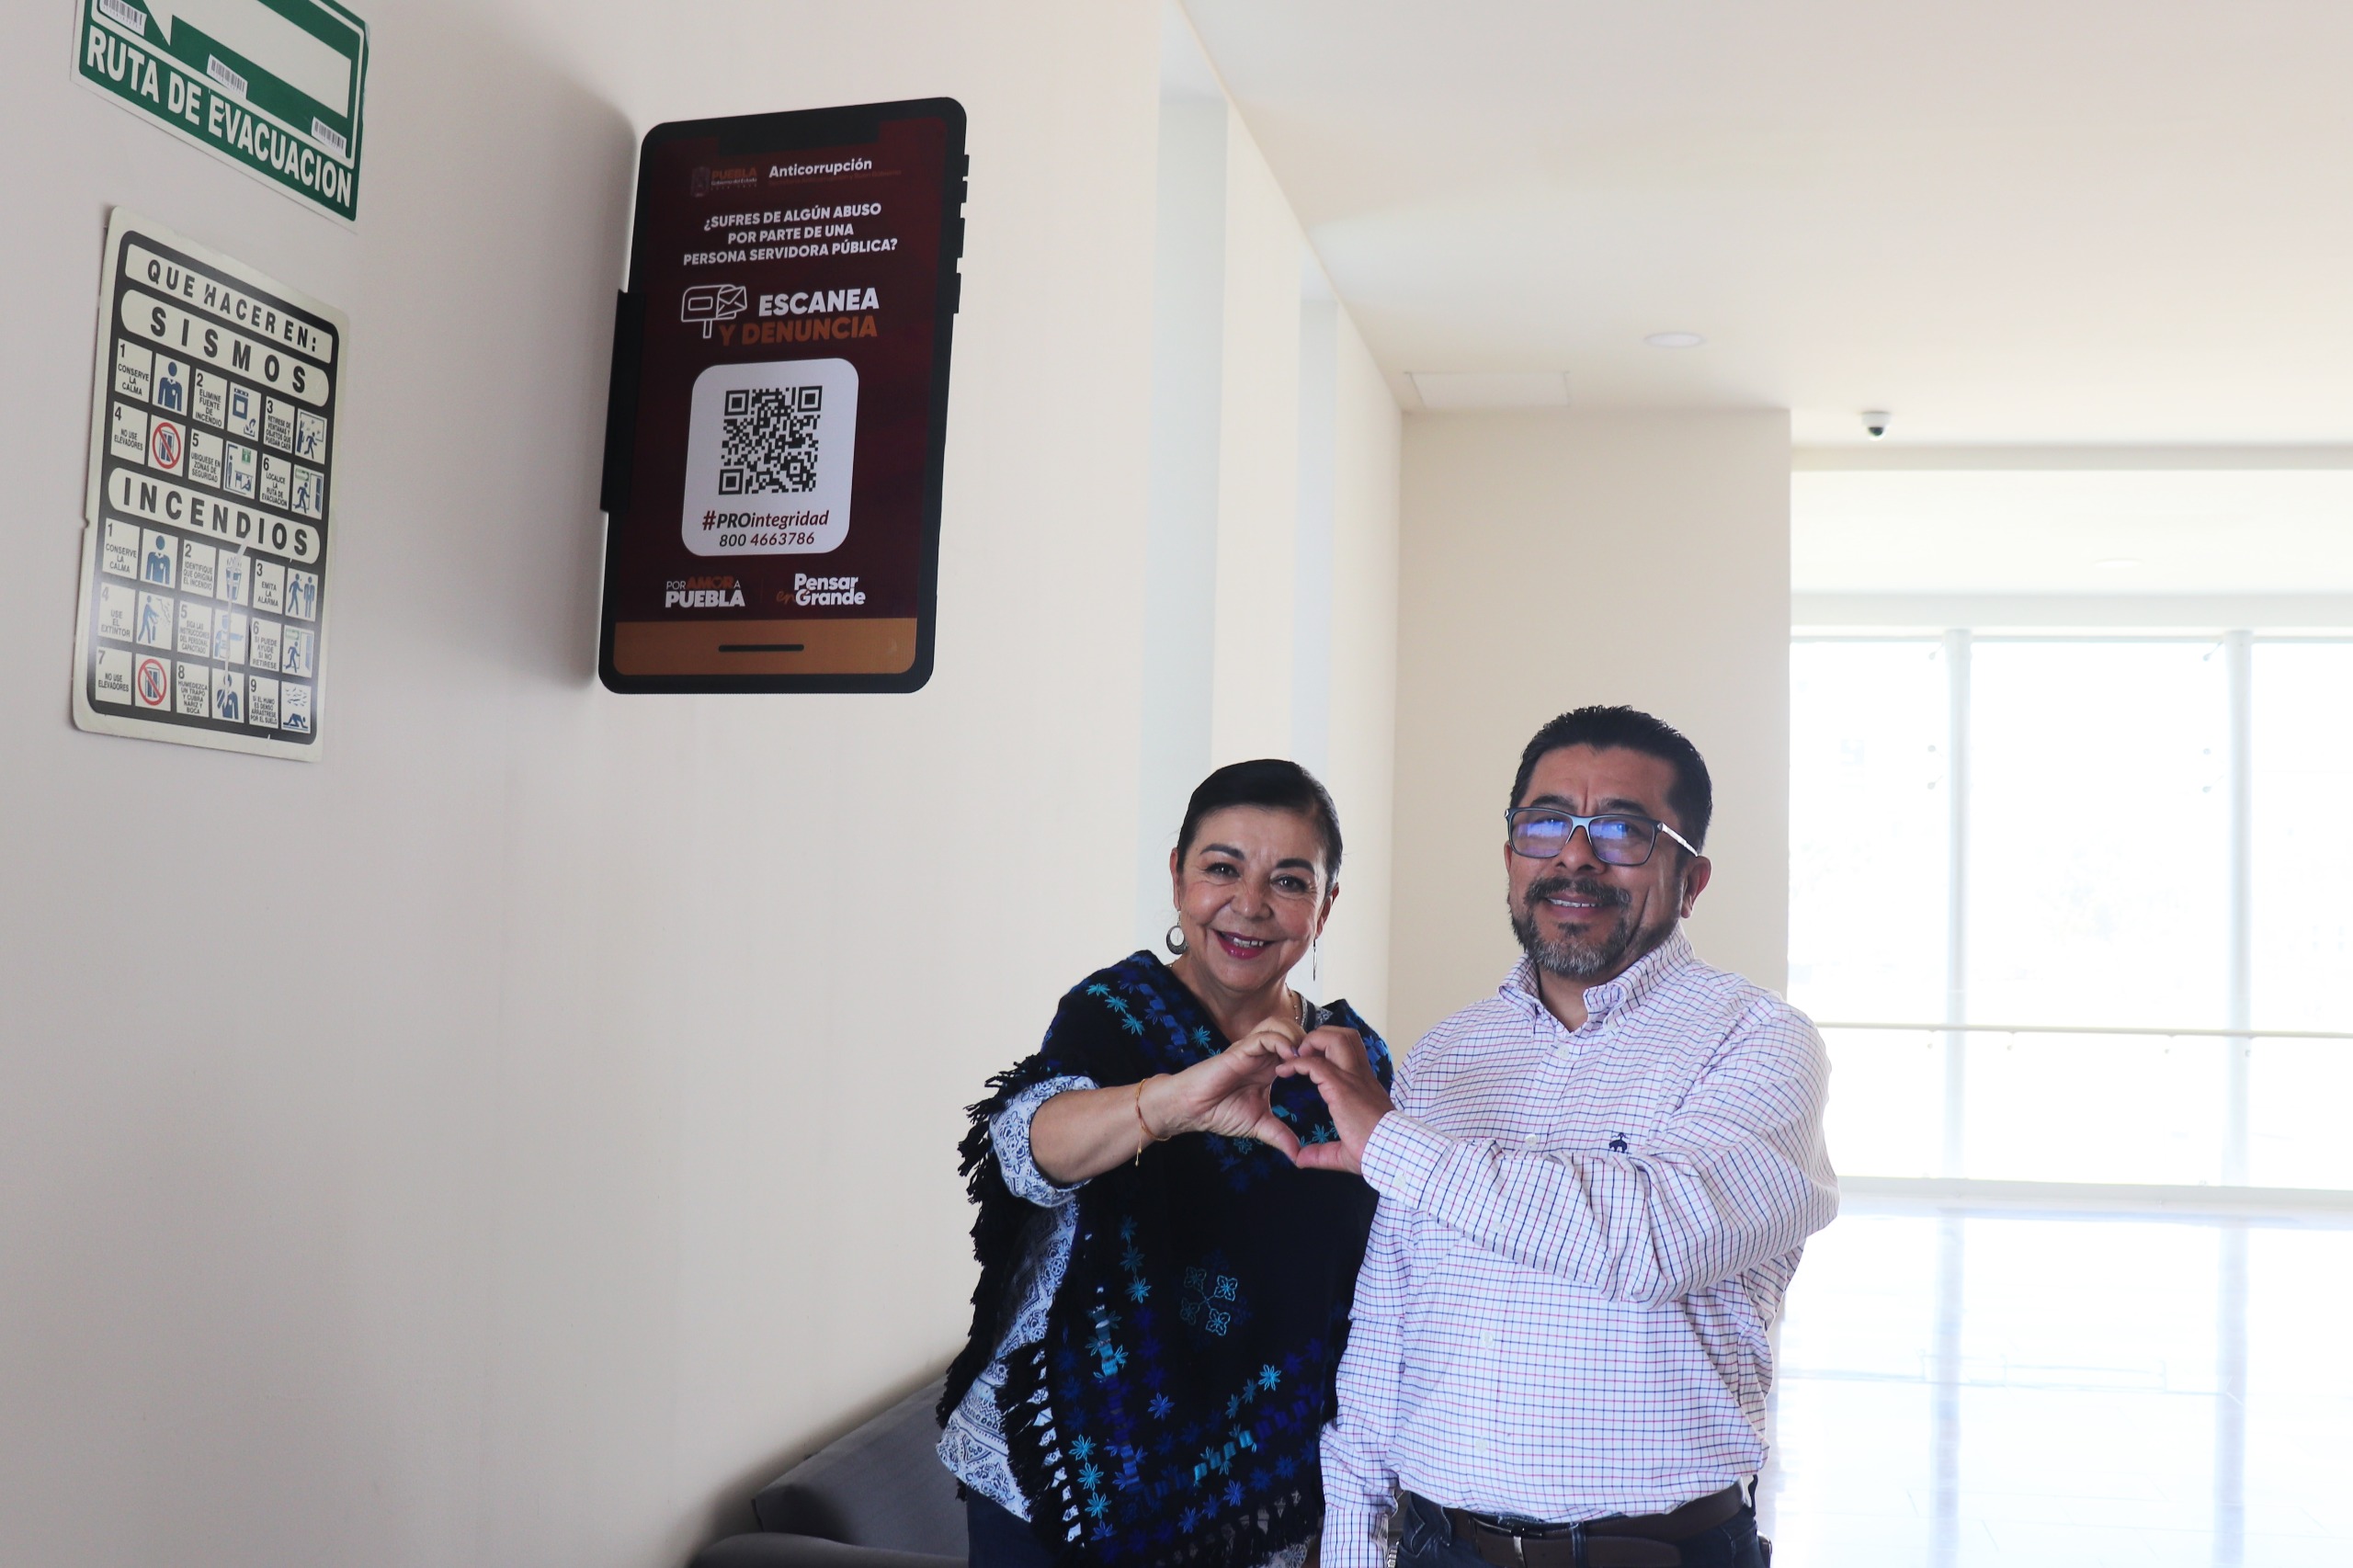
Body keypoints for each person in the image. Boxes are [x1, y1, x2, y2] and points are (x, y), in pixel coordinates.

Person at [1288, 706, 1838, 1568]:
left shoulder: (1760, 1042)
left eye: (1622, 830)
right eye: (1545, 823)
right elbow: (1386, 1333)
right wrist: (1354, 1548)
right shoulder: (1446, 1055)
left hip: (1653, 1553)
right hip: (1439, 1548)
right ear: (1511, 857)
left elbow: (1655, 1240)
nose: (1575, 856)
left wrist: (1393, 1145)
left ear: (1691, 881)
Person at [938, 758, 1394, 1568]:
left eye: (1290, 881)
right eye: (1222, 868)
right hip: (1068, 1470)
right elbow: (1027, 1153)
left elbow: (1378, 1270)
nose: (1249, 904)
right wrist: (1173, 1103)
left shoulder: (1352, 1060)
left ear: (1325, 907)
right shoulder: (1116, 1013)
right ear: (1179, 876)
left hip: (1252, 1493)